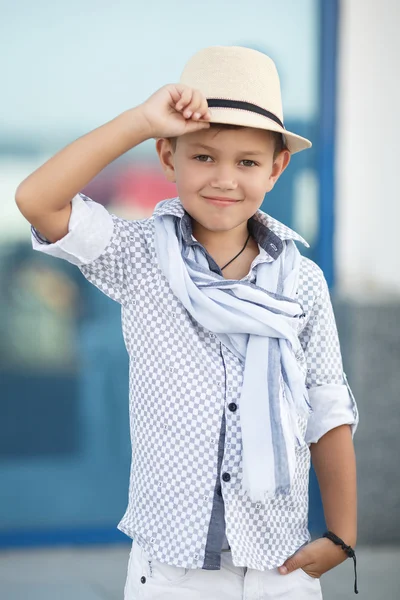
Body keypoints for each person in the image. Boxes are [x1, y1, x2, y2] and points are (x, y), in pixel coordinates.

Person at [15, 46, 359, 600]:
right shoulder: (139, 257)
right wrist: (142, 120)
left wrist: (342, 536)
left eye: (247, 162)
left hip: (279, 566)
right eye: (203, 157)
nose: (224, 179)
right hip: (172, 571)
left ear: (276, 169)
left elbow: (327, 409)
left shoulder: (303, 281)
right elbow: (37, 199)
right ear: (168, 159)